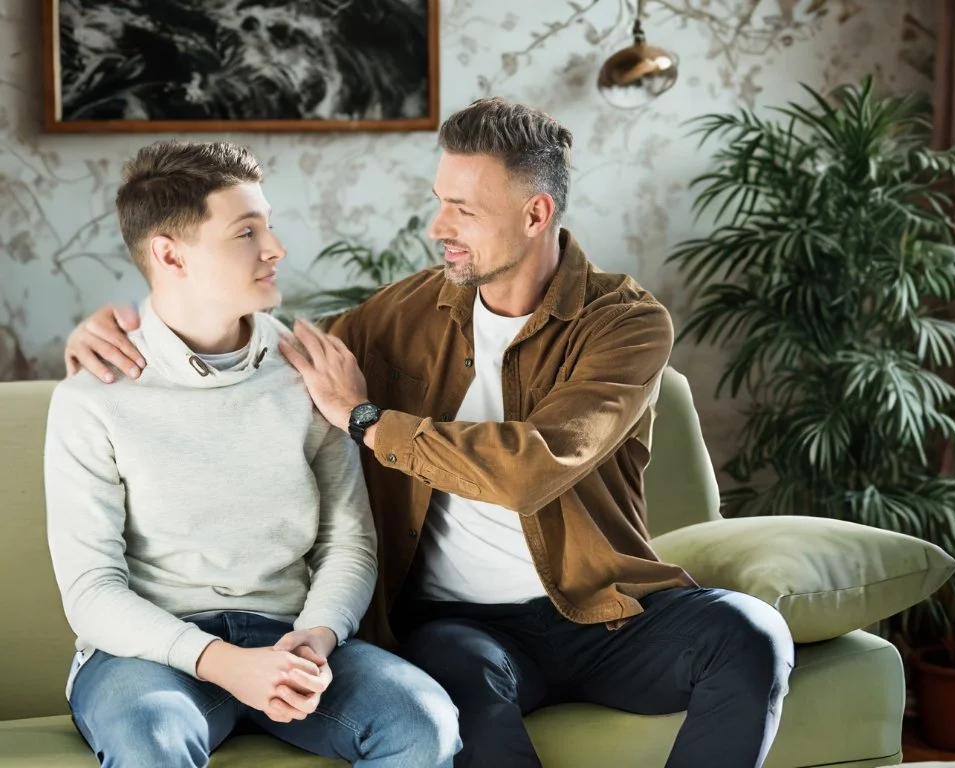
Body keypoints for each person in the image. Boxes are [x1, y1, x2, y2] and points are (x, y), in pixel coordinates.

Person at [65, 99, 794, 768]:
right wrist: (120, 328)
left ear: (535, 214)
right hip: (458, 627)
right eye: (438, 203)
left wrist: (371, 422)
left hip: (602, 609)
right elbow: (262, 354)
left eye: (463, 210)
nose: (437, 228)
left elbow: (534, 467)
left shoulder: (625, 324)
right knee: (452, 687)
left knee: (751, 635)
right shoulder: (403, 314)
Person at [47, 141, 460, 768]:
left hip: (292, 637)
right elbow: (92, 591)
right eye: (246, 232)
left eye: (268, 226)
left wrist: (316, 638)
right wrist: (225, 664)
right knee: (150, 739)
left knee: (422, 721)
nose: (276, 249)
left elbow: (348, 543)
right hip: (146, 655)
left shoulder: (311, 374)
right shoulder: (92, 396)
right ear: (169, 254)